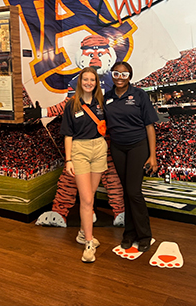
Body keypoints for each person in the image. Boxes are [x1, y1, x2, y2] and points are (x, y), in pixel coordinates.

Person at [105, 61, 159, 254]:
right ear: (112, 75)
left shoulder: (139, 95)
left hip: (138, 146)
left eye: (124, 74)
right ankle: (129, 234)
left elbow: (150, 126)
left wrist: (152, 156)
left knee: (133, 191)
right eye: (116, 74)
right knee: (126, 192)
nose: (120, 77)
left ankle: (144, 235)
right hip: (118, 148)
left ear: (130, 76)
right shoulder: (107, 97)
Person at [59, 67, 107, 263]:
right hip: (79, 150)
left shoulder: (102, 103)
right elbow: (68, 134)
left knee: (91, 196)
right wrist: (68, 159)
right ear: (80, 82)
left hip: (99, 148)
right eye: (85, 79)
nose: (89, 82)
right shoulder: (72, 105)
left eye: (92, 80)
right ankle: (88, 242)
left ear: (96, 83)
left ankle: (81, 232)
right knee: (86, 200)